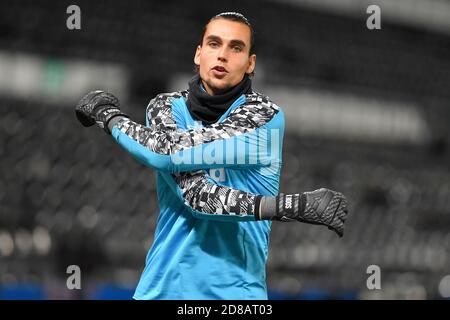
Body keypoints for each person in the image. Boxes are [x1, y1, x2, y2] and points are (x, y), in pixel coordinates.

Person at [75, 12, 349, 300]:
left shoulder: (264, 118)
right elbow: (185, 181)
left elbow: (173, 158)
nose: (222, 56)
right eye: (214, 44)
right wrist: (290, 206)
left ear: (250, 63)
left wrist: (109, 117)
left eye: (236, 47)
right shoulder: (166, 107)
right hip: (159, 291)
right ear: (198, 54)